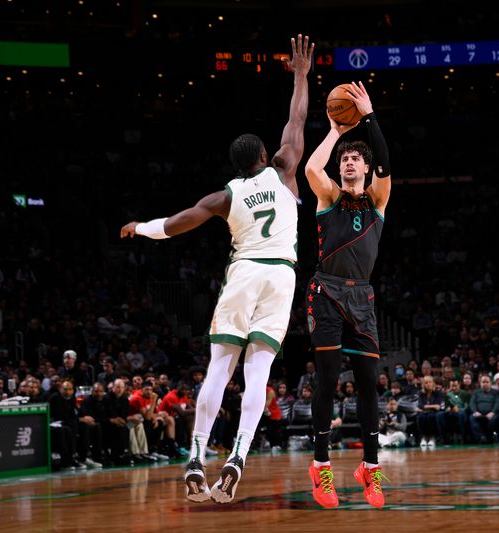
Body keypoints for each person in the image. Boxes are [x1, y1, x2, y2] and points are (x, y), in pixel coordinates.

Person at [120, 34, 314, 504]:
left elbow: (173, 225)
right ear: (265, 158)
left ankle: (195, 459)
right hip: (282, 275)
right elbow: (297, 118)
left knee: (218, 370)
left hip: (244, 273)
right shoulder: (286, 168)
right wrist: (302, 76)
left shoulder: (223, 197)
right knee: (258, 373)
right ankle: (240, 456)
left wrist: (138, 227)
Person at [304, 80, 392, 509]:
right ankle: (321, 465)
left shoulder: (378, 199)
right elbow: (309, 169)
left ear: (367, 168)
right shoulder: (329, 197)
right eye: (345, 160)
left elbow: (387, 162)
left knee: (368, 387)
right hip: (326, 293)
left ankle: (370, 470)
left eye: (356, 158)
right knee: (326, 378)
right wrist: (336, 133)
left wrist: (369, 115)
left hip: (363, 300)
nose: (349, 162)